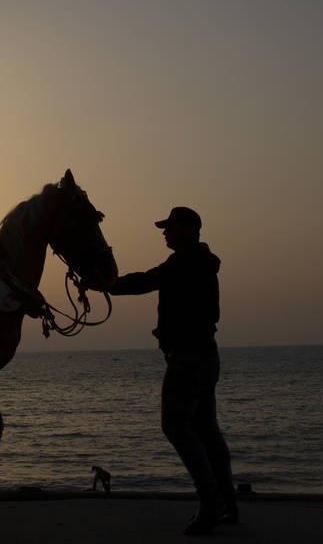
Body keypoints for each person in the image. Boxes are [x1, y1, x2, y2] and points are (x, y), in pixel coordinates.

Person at [109, 206, 236, 536]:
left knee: (176, 426)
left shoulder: (185, 263)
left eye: (170, 227)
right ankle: (227, 502)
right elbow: (153, 280)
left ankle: (212, 502)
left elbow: (147, 281)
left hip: (189, 358)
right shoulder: (198, 262)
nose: (165, 233)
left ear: (189, 229)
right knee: (207, 429)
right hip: (206, 356)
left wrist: (108, 284)